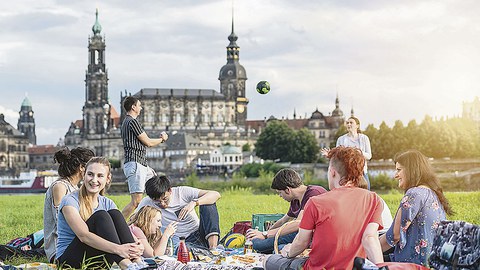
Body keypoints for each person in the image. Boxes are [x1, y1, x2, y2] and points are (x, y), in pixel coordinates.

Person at [265, 146, 384, 269]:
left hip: (317, 267)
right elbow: (370, 238)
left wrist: (288, 252)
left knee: (269, 260)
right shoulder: (374, 199)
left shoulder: (315, 202)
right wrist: (380, 267)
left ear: (332, 172)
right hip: (353, 267)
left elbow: (301, 242)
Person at [56, 157, 145, 270]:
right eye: (90, 174)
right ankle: (126, 265)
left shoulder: (107, 203)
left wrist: (137, 245)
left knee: (115, 214)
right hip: (68, 261)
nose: (94, 180)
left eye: (100, 176)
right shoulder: (69, 201)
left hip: (99, 256)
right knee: (101, 216)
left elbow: (121, 230)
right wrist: (119, 249)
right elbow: (84, 236)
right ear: (83, 175)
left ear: (108, 179)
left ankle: (137, 262)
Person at [379, 149, 452, 266]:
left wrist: (363, 250)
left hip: (412, 263)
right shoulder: (432, 193)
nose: (395, 175)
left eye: (399, 170)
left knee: (360, 261)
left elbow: (394, 236)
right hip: (430, 261)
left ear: (411, 170)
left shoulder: (415, 193)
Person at [245, 168, 327, 254]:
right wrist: (263, 234)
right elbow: (283, 221)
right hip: (300, 234)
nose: (280, 196)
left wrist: (265, 235)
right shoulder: (295, 200)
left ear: (288, 190)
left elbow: (298, 224)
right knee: (258, 243)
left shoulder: (313, 193)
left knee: (259, 245)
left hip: (311, 236)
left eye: (280, 192)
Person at [136, 175, 221, 250]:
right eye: (157, 202)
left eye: (165, 199)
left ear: (170, 191)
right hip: (179, 241)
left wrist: (194, 203)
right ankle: (202, 252)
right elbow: (133, 223)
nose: (162, 204)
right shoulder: (146, 202)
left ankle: (213, 248)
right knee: (181, 252)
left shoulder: (182, 192)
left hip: (199, 233)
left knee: (208, 203)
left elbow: (215, 194)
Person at [121, 96, 169, 219]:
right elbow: (148, 142)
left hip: (141, 164)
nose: (141, 108)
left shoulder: (126, 122)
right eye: (139, 105)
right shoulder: (132, 122)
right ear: (133, 107)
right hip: (136, 164)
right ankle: (117, 225)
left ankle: (155, 219)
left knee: (157, 189)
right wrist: (162, 139)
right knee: (136, 202)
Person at [43, 146, 95, 263]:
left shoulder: (75, 188)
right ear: (81, 168)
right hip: (60, 250)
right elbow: (62, 222)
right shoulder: (60, 187)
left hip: (76, 241)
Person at [322, 116, 372, 189]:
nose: (348, 124)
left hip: (361, 172)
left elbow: (369, 156)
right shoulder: (341, 139)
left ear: (357, 126)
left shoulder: (364, 138)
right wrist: (330, 154)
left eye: (351, 123)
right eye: (347, 123)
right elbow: (338, 156)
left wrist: (356, 152)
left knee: (366, 192)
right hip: (346, 173)